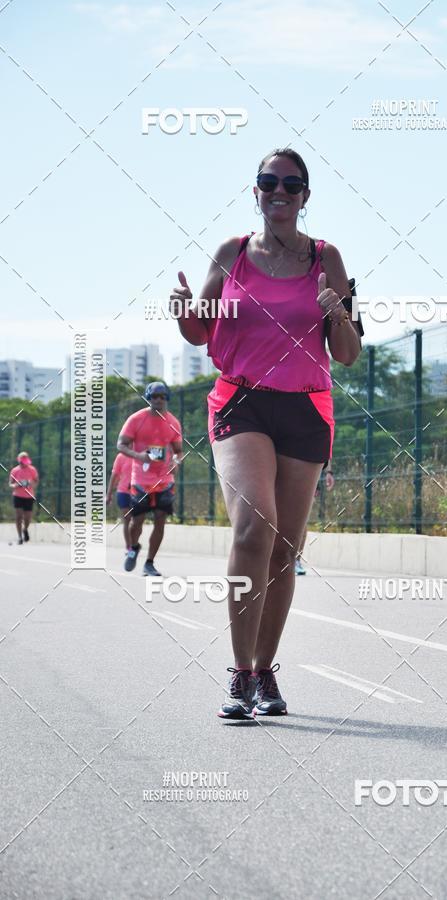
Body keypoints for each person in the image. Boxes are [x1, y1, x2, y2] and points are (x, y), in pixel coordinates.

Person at [170, 147, 363, 719]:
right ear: (255, 191)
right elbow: (201, 334)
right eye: (267, 181)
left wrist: (337, 313)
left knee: (284, 551)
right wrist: (183, 310)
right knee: (255, 527)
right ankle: (238, 675)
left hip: (306, 407)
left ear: (306, 195)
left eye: (291, 183)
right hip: (242, 401)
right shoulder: (232, 253)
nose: (279, 190)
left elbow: (348, 355)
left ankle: (263, 671)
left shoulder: (326, 259)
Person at [116, 382, 183, 577]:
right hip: (141, 480)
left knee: (161, 520)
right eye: (154, 396)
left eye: (162, 396)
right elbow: (121, 445)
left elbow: (178, 451)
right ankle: (134, 547)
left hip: (164, 479)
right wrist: (140, 456)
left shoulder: (173, 422)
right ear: (148, 398)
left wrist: (176, 462)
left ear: (167, 398)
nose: (159, 400)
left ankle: (150, 562)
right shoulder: (136, 419)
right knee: (137, 521)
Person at [295, 463, 335, 575]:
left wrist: (329, 472)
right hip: (281, 467)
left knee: (301, 521)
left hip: (307, 471)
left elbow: (328, 448)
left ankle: (296, 560)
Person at [8, 451, 39, 545]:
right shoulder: (14, 470)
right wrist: (16, 485)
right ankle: (20, 537)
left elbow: (36, 481)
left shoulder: (32, 469)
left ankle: (25, 529)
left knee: (28, 517)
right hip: (17, 496)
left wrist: (30, 484)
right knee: (18, 516)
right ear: (19, 460)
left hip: (29, 496)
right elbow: (10, 484)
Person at [105, 452, 133, 552]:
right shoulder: (121, 457)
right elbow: (114, 476)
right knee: (127, 518)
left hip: (137, 492)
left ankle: (134, 543)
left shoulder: (141, 454)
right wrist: (108, 495)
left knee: (136, 521)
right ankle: (129, 547)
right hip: (123, 492)